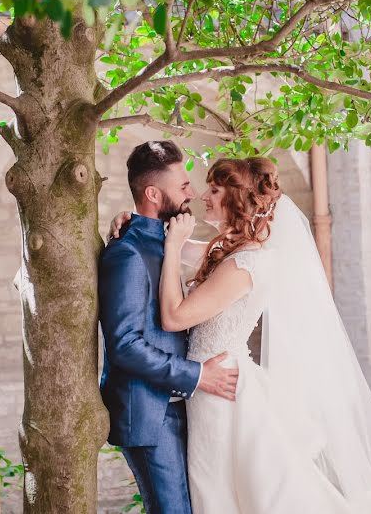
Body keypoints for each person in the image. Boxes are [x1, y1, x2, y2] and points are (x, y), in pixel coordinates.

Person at [111, 156, 371, 514]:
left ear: (237, 198)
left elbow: (174, 317)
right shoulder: (224, 250)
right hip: (209, 387)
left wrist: (170, 248)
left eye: (214, 190)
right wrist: (129, 219)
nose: (203, 197)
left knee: (232, 495)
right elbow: (174, 244)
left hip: (221, 392)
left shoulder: (246, 264)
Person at [97, 140, 240, 514]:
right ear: (152, 193)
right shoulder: (126, 253)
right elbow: (124, 344)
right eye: (182, 187)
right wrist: (196, 375)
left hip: (181, 404)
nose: (191, 192)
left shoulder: (165, 238)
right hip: (150, 411)